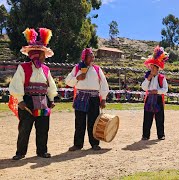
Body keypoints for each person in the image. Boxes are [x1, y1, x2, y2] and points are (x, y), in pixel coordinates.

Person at [8, 28, 57, 160]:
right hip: (28, 101)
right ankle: (20, 152)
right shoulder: (23, 68)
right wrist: (20, 100)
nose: (44, 57)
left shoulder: (46, 69)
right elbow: (16, 84)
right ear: (35, 54)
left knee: (43, 127)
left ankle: (42, 151)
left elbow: (50, 85)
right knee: (25, 128)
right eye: (42, 54)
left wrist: (51, 99)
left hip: (43, 102)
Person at [65, 48, 109, 151]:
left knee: (93, 122)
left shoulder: (97, 69)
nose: (92, 57)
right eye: (90, 55)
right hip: (81, 97)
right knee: (79, 122)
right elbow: (68, 81)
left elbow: (104, 84)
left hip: (94, 98)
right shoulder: (77, 68)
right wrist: (77, 78)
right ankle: (78, 144)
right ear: (84, 57)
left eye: (93, 56)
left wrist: (103, 99)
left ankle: (94, 144)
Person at [141, 46, 169, 140]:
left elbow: (165, 89)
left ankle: (161, 135)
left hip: (158, 98)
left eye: (153, 68)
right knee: (147, 117)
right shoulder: (148, 77)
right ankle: (145, 135)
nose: (151, 69)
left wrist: (157, 91)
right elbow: (144, 87)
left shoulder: (162, 77)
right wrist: (148, 79)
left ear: (157, 68)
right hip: (149, 98)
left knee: (159, 117)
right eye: (150, 67)